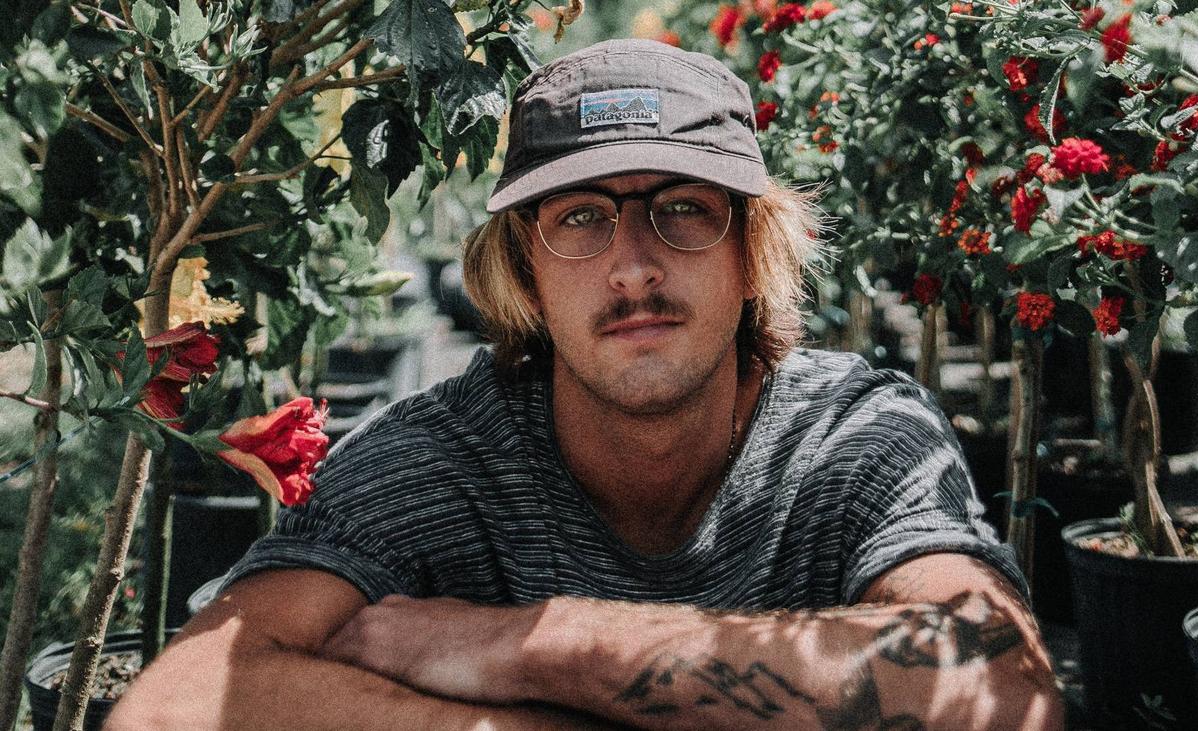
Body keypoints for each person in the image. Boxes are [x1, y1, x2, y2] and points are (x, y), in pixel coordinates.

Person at [109, 38, 1064, 730]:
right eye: (580, 217)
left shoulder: (857, 437)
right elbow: (170, 706)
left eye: (682, 209)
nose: (634, 266)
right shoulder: (433, 462)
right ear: (524, 269)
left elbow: (1007, 692)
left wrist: (537, 643)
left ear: (750, 252)